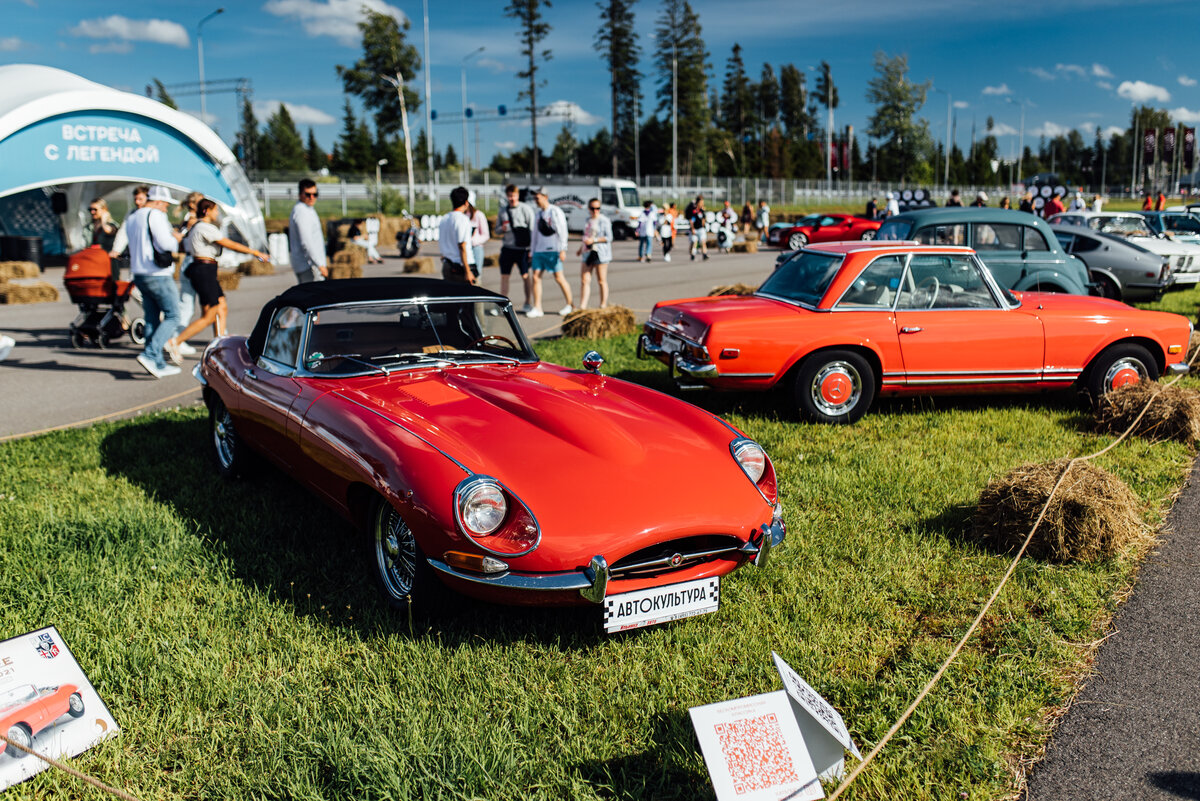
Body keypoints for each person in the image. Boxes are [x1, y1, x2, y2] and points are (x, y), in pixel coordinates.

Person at [166, 198, 268, 360]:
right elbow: (229, 244)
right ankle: (175, 341)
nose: (217, 213)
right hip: (204, 270)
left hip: (205, 269)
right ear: (207, 211)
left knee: (221, 307)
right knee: (210, 315)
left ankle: (220, 347)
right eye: (215, 210)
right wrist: (256, 253)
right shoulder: (205, 228)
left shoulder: (195, 228)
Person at [128, 186, 183, 378]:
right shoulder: (155, 215)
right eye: (166, 205)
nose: (166, 209)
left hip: (139, 273)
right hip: (157, 273)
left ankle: (157, 362)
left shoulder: (133, 217)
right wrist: (175, 239)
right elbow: (165, 243)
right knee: (173, 315)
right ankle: (151, 354)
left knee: (151, 316)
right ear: (158, 201)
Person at [529, 187, 572, 316]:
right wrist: (532, 251)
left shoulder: (555, 211)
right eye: (535, 198)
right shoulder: (538, 214)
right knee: (536, 277)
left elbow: (562, 231)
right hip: (539, 250)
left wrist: (563, 249)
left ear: (545, 197)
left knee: (559, 277)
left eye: (538, 197)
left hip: (553, 250)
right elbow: (535, 234)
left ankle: (570, 304)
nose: (536, 200)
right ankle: (537, 307)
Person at [497, 184, 534, 312]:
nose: (511, 198)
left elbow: (532, 230)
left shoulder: (526, 209)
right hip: (507, 248)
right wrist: (502, 229)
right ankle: (503, 305)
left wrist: (531, 249)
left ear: (518, 195)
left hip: (523, 249)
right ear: (507, 196)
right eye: (509, 196)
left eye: (513, 195)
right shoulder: (503, 211)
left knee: (525, 276)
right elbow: (496, 230)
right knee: (504, 277)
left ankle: (528, 302)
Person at [289, 178, 327, 283]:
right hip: (308, 265)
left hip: (312, 264)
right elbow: (306, 242)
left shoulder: (308, 209)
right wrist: (320, 264)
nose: (312, 198)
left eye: (315, 194)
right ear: (300, 194)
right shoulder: (302, 212)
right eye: (308, 194)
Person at [438, 186, 476, 285]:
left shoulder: (444, 218)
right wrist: (467, 271)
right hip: (461, 267)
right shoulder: (463, 219)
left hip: (447, 265)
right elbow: (462, 246)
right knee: (468, 299)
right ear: (466, 202)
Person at [577, 199, 612, 309]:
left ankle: (603, 304)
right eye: (593, 208)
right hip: (588, 252)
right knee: (584, 279)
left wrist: (594, 240)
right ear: (589, 209)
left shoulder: (604, 220)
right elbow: (586, 236)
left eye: (598, 208)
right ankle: (583, 305)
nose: (595, 211)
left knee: (601, 280)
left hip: (600, 252)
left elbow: (609, 237)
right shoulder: (588, 220)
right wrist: (580, 248)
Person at [108, 184, 149, 260]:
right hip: (136, 254)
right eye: (135, 199)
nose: (137, 202)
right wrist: (116, 250)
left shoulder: (153, 213)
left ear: (148, 198)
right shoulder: (132, 214)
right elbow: (124, 232)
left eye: (140, 199)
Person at [466, 194, 490, 272]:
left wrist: (474, 241)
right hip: (464, 248)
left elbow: (486, 235)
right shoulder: (462, 215)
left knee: (476, 274)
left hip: (476, 248)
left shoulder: (479, 215)